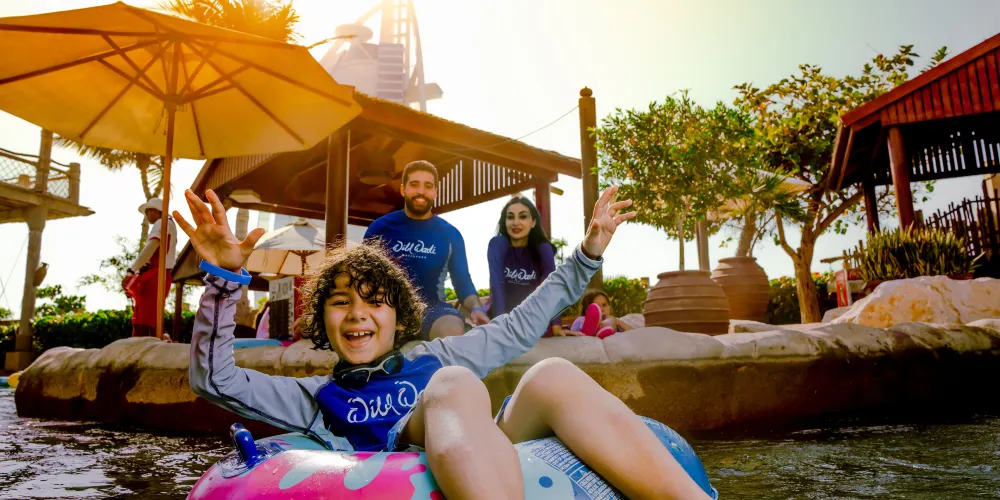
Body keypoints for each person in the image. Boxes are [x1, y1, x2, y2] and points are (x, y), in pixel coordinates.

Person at [178, 186, 711, 500]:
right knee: (452, 384)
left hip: (485, 447)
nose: (358, 313)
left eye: (375, 302)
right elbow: (215, 378)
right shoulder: (313, 398)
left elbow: (521, 324)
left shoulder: (436, 355)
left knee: (549, 374)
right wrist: (223, 279)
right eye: (341, 302)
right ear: (323, 319)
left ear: (398, 318)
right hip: (392, 467)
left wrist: (587, 254)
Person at [363, 160, 488, 340]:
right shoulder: (380, 228)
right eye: (414, 185)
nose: (421, 191)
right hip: (387, 310)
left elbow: (462, 282)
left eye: (428, 186)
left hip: (433, 310)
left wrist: (476, 308)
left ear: (435, 192)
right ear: (403, 189)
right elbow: (363, 278)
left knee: (452, 328)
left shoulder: (450, 234)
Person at [487, 195, 580, 337]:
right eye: (510, 217)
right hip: (501, 316)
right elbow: (497, 286)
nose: (515, 222)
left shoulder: (543, 248)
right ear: (505, 222)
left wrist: (556, 325)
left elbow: (551, 287)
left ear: (533, 222)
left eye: (523, 217)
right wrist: (500, 326)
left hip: (531, 320)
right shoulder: (497, 245)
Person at [123, 197, 177, 338]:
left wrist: (131, 271)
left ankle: (139, 346)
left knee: (144, 318)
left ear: (155, 211)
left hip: (156, 274)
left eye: (147, 212)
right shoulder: (170, 224)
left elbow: (150, 248)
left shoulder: (162, 223)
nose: (146, 216)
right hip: (162, 273)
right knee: (152, 316)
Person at [571, 290, 635, 338]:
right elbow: (573, 332)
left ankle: (605, 331)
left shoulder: (615, 321)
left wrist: (618, 322)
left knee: (611, 321)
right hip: (587, 334)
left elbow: (634, 333)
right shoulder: (582, 320)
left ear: (609, 307)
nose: (602, 309)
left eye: (604, 305)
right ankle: (592, 329)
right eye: (597, 307)